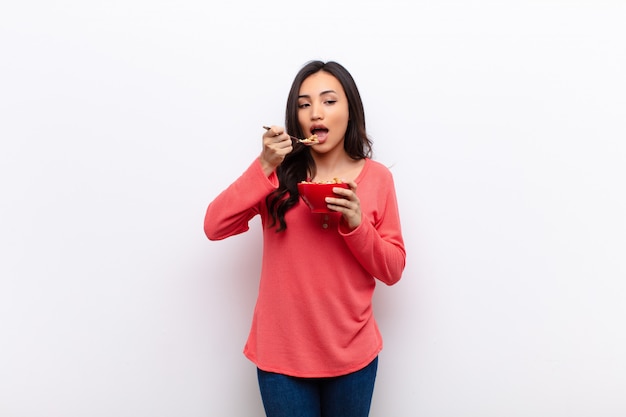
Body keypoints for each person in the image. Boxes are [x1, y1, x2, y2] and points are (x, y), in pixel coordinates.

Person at [204, 60, 406, 417]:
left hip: (353, 356)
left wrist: (357, 224)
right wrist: (265, 165)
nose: (316, 112)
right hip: (281, 358)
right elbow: (214, 226)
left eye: (329, 101)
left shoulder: (377, 180)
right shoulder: (277, 177)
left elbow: (392, 270)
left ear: (350, 109)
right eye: (304, 103)